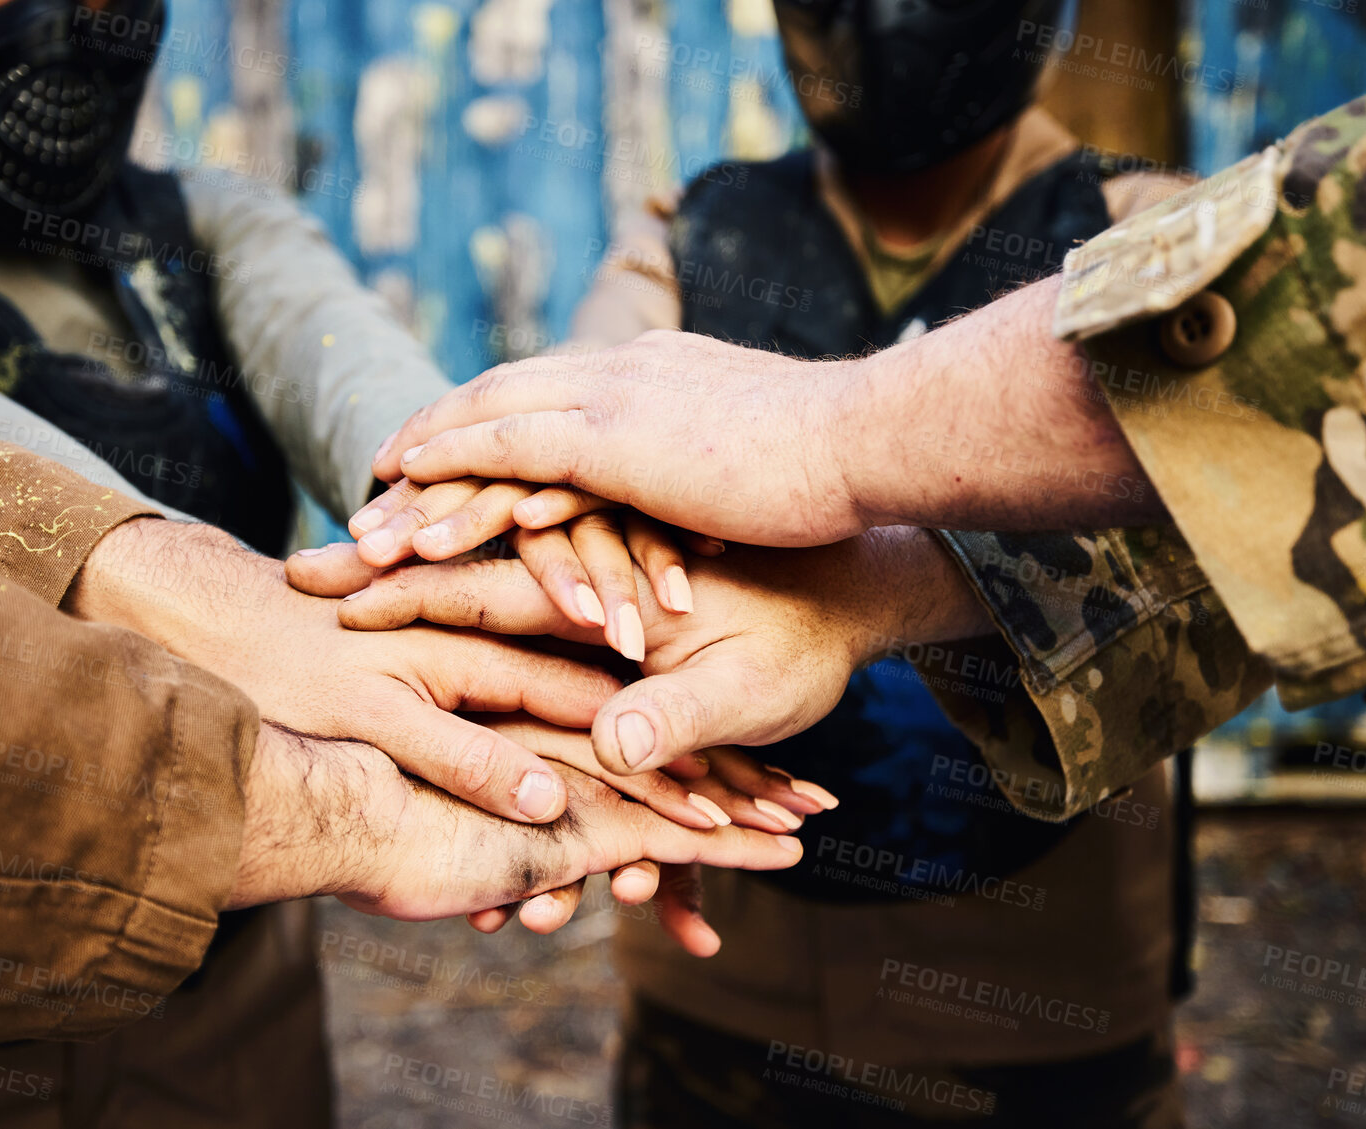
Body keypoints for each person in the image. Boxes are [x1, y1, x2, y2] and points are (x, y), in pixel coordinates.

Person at [0, 0, 818, 1121]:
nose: (68, 25)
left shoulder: (210, 221)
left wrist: (522, 554)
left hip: (229, 972)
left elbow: (380, 403)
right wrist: (254, 618)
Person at [303, 3, 1190, 1122]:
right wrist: (517, 509)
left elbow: (1215, 531)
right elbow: (582, 412)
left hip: (1043, 1004)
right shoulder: (688, 231)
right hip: (719, 981)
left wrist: (860, 585)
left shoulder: (1154, 239)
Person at [0, 314, 806, 1050]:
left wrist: (451, 525)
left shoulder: (206, 219)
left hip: (233, 1016)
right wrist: (331, 809)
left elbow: (335, 352)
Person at [367, 56, 1366, 819]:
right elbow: (596, 384)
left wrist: (826, 466)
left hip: (1051, 949)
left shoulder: (1157, 220)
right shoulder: (701, 219)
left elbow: (1245, 469)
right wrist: (577, 503)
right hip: (724, 920)